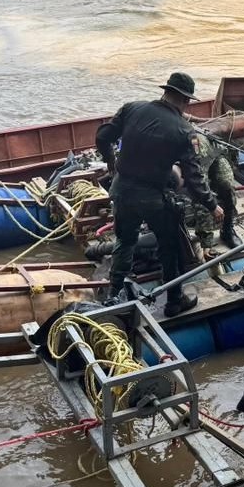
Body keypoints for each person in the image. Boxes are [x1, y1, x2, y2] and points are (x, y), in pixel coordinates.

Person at [96, 72, 223, 316]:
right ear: (186, 101)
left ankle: (113, 297)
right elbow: (194, 177)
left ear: (165, 92)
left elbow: (103, 137)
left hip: (121, 191)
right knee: (170, 245)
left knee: (125, 241)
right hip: (153, 198)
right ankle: (174, 301)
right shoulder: (185, 131)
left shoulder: (132, 108)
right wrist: (212, 204)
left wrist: (111, 161)